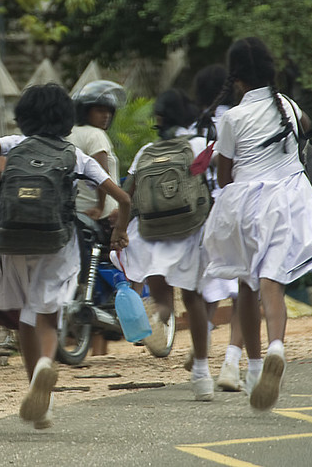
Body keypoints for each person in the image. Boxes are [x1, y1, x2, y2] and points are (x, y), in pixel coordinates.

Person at [0, 83, 131, 429]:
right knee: (47, 316)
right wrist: (120, 232)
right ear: (65, 118)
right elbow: (123, 198)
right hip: (55, 242)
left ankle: (39, 393)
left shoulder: (14, 144)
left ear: (25, 116)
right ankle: (45, 366)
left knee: (25, 317)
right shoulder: (74, 155)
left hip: (10, 240)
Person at [201, 37, 312, 410]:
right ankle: (276, 347)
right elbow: (307, 127)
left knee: (245, 283)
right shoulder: (287, 105)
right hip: (288, 199)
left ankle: (253, 369)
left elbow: (224, 177)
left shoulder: (232, 118)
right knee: (273, 283)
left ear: (236, 80)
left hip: (246, 204)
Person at [111, 88, 214, 401]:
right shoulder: (198, 145)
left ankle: (158, 317)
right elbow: (212, 178)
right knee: (194, 299)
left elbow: (127, 194)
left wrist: (118, 229)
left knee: (164, 302)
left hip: (152, 233)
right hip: (189, 228)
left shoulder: (146, 152)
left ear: (159, 118)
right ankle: (201, 374)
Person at [185, 64, 245, 392]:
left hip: (200, 216)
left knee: (206, 287)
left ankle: (202, 342)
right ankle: (230, 364)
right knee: (242, 291)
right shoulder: (239, 118)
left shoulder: (193, 126)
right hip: (235, 208)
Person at [67, 80, 125, 356]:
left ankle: (97, 348)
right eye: (98, 110)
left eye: (108, 111)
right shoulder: (95, 136)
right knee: (125, 261)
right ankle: (125, 313)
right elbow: (99, 173)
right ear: (85, 111)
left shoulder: (66, 134)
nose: (105, 116)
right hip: (101, 216)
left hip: (73, 216)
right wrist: (103, 206)